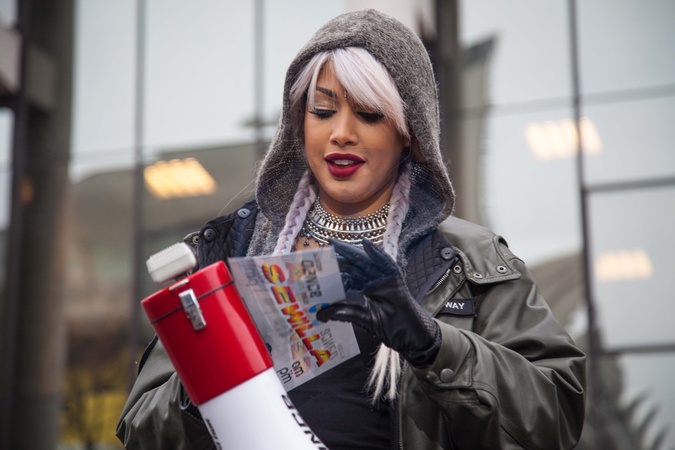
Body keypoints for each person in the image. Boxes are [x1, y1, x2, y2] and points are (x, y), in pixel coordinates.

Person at [116, 9, 586, 450]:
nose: (341, 132)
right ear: (299, 123)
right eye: (322, 111)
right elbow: (140, 428)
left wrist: (432, 343)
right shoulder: (228, 251)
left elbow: (556, 417)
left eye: (369, 114)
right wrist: (216, 365)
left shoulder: (471, 260)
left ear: (409, 131)